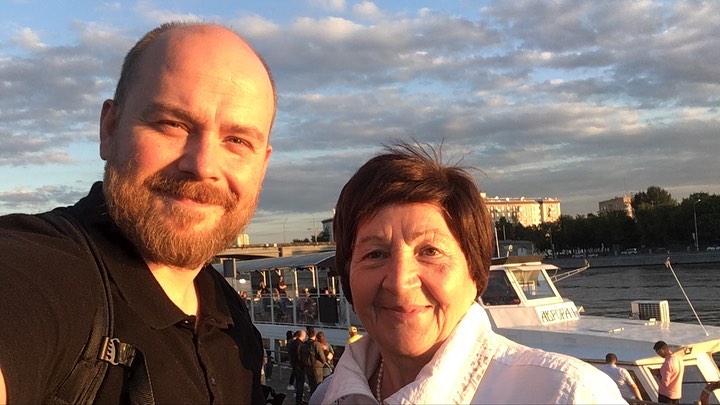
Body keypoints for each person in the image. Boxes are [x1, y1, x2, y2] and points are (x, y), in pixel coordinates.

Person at [0, 21, 276, 404]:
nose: (203, 165)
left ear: (262, 166)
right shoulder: (47, 269)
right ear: (109, 129)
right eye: (172, 124)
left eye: (237, 140)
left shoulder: (233, 319)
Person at [310, 141, 625, 404]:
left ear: (474, 273)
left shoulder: (567, 394)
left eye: (430, 251)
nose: (399, 282)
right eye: (375, 254)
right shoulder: (328, 397)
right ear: (348, 273)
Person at [303, 326, 326, 396]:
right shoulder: (316, 344)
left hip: (308, 367)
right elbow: (322, 356)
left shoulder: (304, 344)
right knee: (318, 386)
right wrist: (323, 363)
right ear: (315, 334)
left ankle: (312, 399)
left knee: (312, 386)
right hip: (316, 367)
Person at [290, 329, 308, 405]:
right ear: (302, 335)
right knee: (300, 383)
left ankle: (299, 399)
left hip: (295, 365)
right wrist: (303, 363)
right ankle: (299, 400)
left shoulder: (293, 343)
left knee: (298, 382)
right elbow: (299, 356)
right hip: (300, 366)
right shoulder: (300, 344)